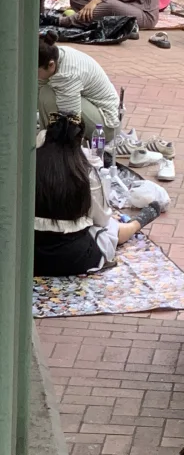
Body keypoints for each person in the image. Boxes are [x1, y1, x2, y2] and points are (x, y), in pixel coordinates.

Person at [33, 116, 160, 277]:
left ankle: (133, 225)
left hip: (29, 255)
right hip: (74, 258)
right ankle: (136, 224)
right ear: (78, 143)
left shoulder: (28, 166)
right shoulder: (84, 172)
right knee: (109, 228)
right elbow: (102, 219)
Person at [37, 31, 121, 138]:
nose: (35, 76)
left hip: (106, 127)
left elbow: (72, 121)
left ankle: (54, 144)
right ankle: (47, 138)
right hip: (91, 106)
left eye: (37, 72)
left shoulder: (67, 75)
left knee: (48, 95)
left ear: (51, 65)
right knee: (44, 92)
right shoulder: (53, 54)